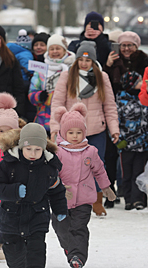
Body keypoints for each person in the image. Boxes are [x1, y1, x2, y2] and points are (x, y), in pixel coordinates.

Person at [0, 123, 67, 268]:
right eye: (28, 148)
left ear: (43, 148)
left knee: (36, 253)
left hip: (36, 216)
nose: (33, 153)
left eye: (37, 149)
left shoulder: (49, 167)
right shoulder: (8, 164)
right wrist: (13, 191)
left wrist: (60, 209)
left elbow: (56, 191)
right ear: (21, 146)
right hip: (11, 216)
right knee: (14, 253)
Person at [51, 41, 120, 216]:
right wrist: (54, 129)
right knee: (68, 166)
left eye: (88, 60)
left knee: (97, 164)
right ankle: (68, 197)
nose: (84, 63)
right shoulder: (67, 77)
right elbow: (57, 104)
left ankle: (97, 201)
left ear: (93, 61)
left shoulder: (102, 77)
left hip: (96, 129)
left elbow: (110, 105)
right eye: (81, 59)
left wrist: (114, 129)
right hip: (70, 130)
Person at [52, 103, 116, 268]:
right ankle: (70, 248)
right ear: (63, 132)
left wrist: (106, 188)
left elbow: (99, 171)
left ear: (84, 132)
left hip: (84, 199)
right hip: (61, 200)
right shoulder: (57, 152)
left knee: (79, 227)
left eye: (79, 132)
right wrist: (54, 189)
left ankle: (78, 256)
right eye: (71, 132)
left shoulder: (90, 151)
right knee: (61, 227)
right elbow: (50, 175)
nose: (75, 136)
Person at [105, 31, 148, 208]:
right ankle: (123, 195)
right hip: (125, 139)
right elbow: (117, 118)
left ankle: (137, 198)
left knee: (139, 169)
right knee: (123, 167)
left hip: (143, 141)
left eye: (130, 45)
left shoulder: (144, 62)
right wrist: (108, 65)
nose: (126, 48)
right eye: (123, 45)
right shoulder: (113, 62)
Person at [0, 92, 26, 261]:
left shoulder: (23, 148)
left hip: (16, 192)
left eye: (8, 131)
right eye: (1, 130)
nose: (4, 134)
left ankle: (17, 242)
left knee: (17, 217)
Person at [28, 34, 75, 133]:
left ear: (64, 50)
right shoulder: (41, 71)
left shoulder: (72, 69)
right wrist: (39, 96)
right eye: (52, 49)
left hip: (67, 122)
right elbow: (31, 93)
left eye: (58, 48)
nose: (54, 51)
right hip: (43, 122)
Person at [117, 72, 148, 210]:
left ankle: (137, 200)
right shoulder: (122, 100)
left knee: (139, 172)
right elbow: (116, 121)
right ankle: (128, 199)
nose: (142, 83)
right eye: (139, 80)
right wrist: (119, 140)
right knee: (127, 173)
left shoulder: (144, 98)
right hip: (126, 145)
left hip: (143, 144)